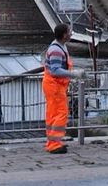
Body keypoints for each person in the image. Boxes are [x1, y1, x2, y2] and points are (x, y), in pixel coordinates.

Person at [42, 23, 84, 154]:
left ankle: (53, 141)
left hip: (54, 85)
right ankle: (54, 144)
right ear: (65, 35)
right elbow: (55, 70)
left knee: (53, 114)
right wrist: (73, 73)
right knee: (61, 113)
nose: (71, 33)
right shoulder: (57, 50)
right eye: (69, 31)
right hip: (54, 85)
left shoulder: (59, 46)